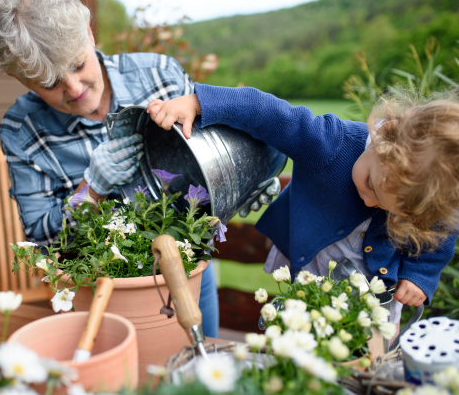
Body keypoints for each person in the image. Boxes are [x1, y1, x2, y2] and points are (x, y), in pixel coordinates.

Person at [0, 0, 219, 336]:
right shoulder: (23, 130)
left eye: (77, 65)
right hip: (104, 293)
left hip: (188, 270)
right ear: (21, 79)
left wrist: (235, 180)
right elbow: (43, 243)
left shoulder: (159, 75)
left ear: (90, 35)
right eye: (50, 84)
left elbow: (206, 156)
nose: (74, 88)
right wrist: (92, 188)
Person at [147, 84, 459, 329]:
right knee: (303, 333)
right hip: (314, 267)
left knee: (365, 347)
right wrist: (199, 102)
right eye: (370, 185)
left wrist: (420, 276)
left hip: (376, 290)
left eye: (388, 208)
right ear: (384, 136)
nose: (369, 201)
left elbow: (440, 235)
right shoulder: (330, 144)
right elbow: (267, 113)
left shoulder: (429, 195)